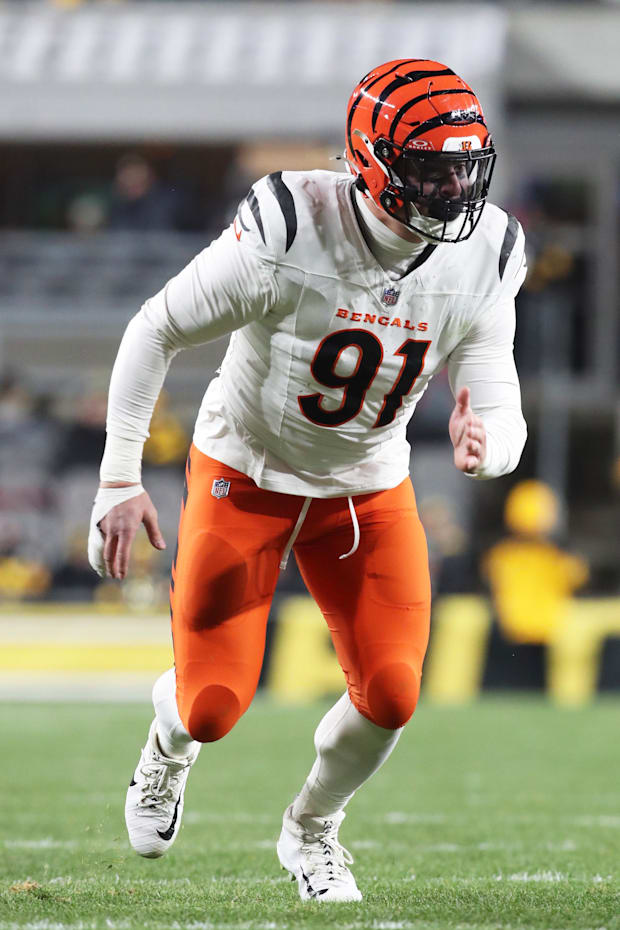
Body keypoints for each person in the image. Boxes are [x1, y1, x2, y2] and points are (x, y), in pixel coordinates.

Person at [88, 59, 527, 902]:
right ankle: (168, 748)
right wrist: (118, 479)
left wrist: (491, 440)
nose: (456, 186)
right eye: (433, 167)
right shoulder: (293, 226)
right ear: (373, 162)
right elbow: (156, 330)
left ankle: (313, 829)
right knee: (212, 703)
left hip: (366, 486)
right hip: (246, 472)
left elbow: (494, 384)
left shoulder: (489, 251)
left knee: (393, 693)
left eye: (466, 166)